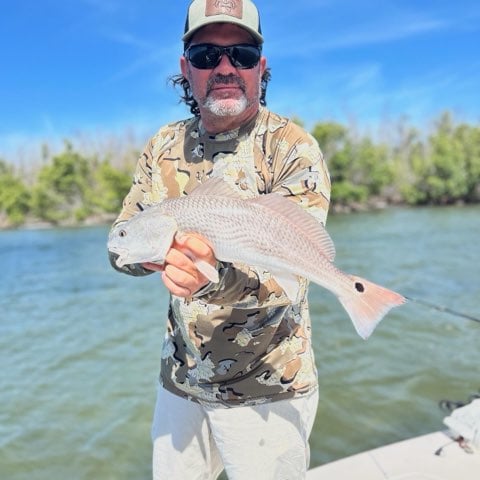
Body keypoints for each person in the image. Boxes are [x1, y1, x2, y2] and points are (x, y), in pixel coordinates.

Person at [108, 1, 331, 478]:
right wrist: (139, 258)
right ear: (186, 68)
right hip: (181, 381)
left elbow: (291, 275)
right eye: (208, 55)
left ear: (260, 67)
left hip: (269, 386)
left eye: (243, 55)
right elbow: (122, 239)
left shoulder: (292, 148)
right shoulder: (162, 147)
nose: (226, 68)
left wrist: (208, 278)